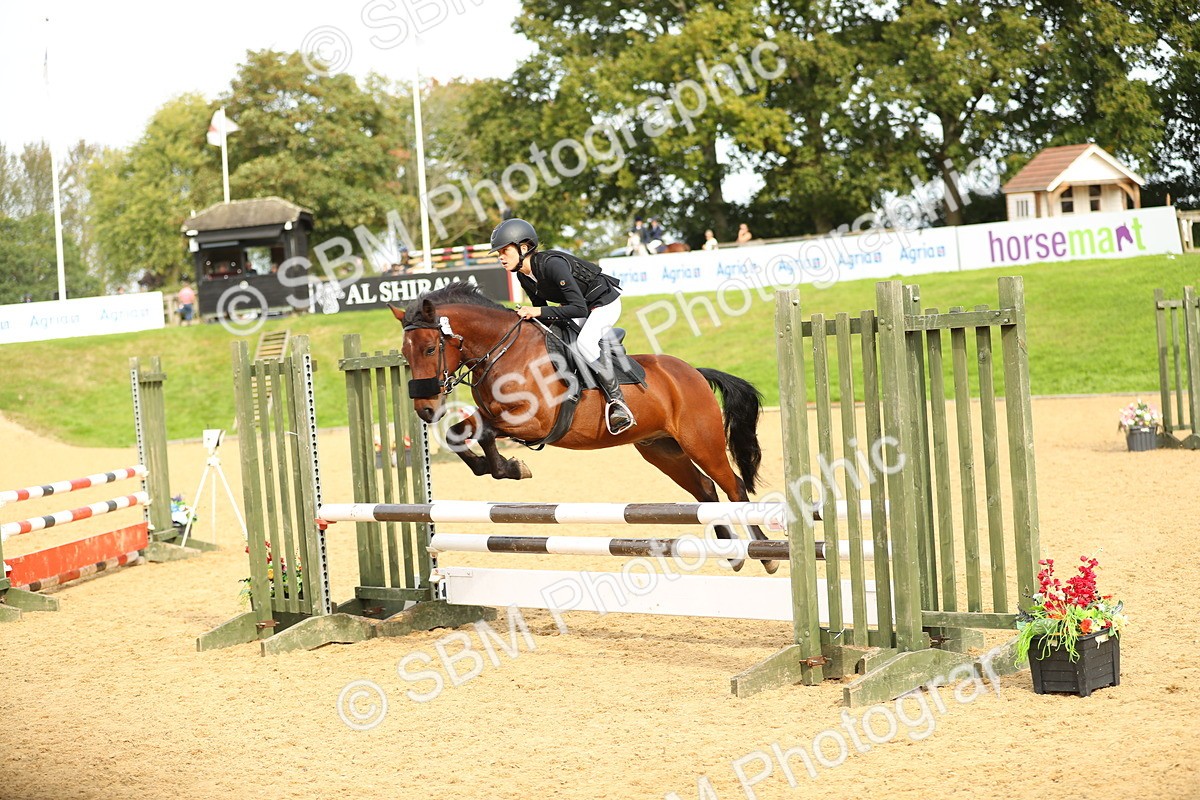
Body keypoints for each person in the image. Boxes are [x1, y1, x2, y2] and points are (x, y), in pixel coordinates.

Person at [490, 218, 635, 435]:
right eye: (498, 253)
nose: (501, 257)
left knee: (585, 344)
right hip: (579, 306)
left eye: (504, 251)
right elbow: (544, 314)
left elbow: (578, 309)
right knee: (555, 335)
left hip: (603, 303)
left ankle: (618, 403)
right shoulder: (524, 275)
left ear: (523, 248)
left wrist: (536, 312)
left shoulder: (552, 265)